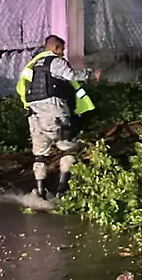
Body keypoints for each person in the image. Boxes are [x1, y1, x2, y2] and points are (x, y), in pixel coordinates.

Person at [15, 35, 100, 199]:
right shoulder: (55, 61)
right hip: (54, 112)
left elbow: (21, 88)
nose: (63, 53)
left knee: (40, 155)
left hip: (34, 115)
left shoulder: (32, 65)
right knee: (69, 149)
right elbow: (71, 75)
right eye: (62, 49)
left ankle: (40, 194)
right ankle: (62, 192)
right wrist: (90, 75)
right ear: (55, 48)